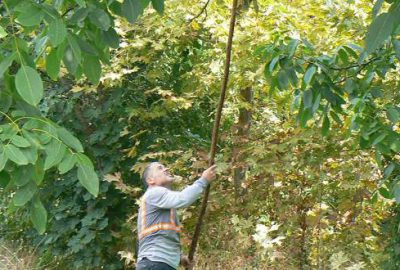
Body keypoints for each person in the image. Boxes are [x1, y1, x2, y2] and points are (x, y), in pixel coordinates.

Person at [136, 162, 217, 270]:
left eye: (165, 166)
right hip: (155, 263)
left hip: (157, 263)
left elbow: (158, 236)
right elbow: (183, 198)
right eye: (160, 168)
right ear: (150, 180)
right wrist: (203, 181)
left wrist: (179, 258)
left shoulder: (163, 204)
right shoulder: (154, 193)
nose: (166, 169)